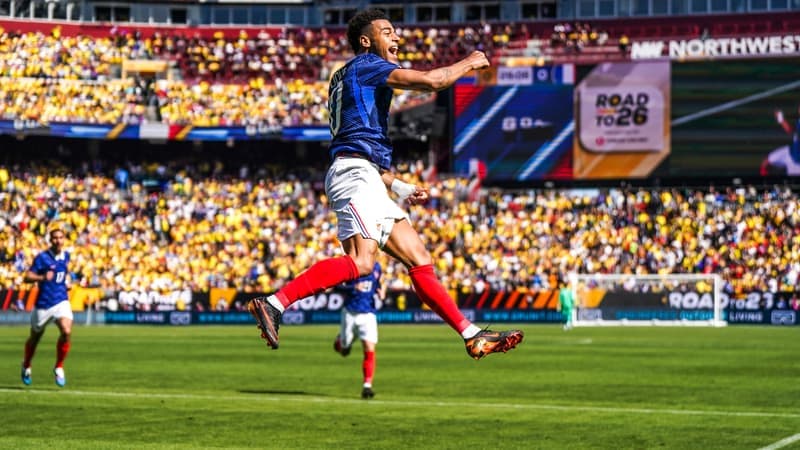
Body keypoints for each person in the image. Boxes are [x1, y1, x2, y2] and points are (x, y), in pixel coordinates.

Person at [248, 8, 523, 360]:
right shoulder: (365, 65)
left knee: (419, 257)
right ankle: (274, 303)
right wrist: (469, 62)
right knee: (362, 262)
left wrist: (400, 188)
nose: (397, 37)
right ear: (366, 41)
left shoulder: (349, 76)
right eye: (388, 31)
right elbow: (433, 81)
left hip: (366, 174)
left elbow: (358, 144)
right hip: (354, 175)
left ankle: (472, 335)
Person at [20, 226, 73, 387]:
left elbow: (65, 272)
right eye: (55, 238)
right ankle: (27, 365)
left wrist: (67, 282)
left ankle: (59, 367)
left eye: (61, 237)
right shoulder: (42, 258)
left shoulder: (66, 256)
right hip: (43, 304)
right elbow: (27, 277)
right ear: (51, 240)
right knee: (35, 338)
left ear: (64, 239)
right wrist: (42, 276)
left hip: (61, 301)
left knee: (66, 331)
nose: (58, 240)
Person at [333, 261, 385, 399]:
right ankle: (341, 342)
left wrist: (380, 290)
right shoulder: (351, 264)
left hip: (368, 313)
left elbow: (377, 282)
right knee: (344, 350)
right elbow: (336, 286)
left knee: (369, 348)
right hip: (350, 312)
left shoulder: (377, 267)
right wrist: (353, 287)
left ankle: (367, 386)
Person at [762, 107, 800, 175]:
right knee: (766, 163)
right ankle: (764, 183)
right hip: (791, 152)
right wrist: (780, 117)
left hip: (796, 162)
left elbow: (789, 130)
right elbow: (790, 129)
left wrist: (780, 117)